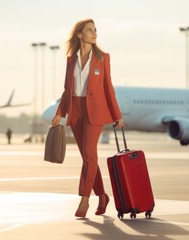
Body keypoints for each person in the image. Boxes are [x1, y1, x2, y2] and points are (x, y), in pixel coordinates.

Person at [51, 18, 124, 218]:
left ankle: (84, 198)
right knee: (88, 157)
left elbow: (108, 88)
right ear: (79, 34)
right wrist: (60, 112)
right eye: (89, 30)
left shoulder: (102, 57)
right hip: (75, 110)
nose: (94, 33)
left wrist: (117, 115)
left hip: (95, 111)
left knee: (90, 154)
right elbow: (67, 90)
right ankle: (101, 195)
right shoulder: (71, 60)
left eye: (95, 30)